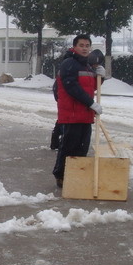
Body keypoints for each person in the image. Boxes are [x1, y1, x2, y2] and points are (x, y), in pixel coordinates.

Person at [52, 35, 106, 188]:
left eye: (87, 45)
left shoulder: (87, 66)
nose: (84, 48)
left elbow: (91, 88)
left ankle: (77, 174)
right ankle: (61, 176)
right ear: (75, 47)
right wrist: (91, 103)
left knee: (83, 147)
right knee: (69, 146)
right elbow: (72, 88)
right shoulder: (69, 64)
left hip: (85, 114)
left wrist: (100, 78)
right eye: (81, 45)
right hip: (72, 113)